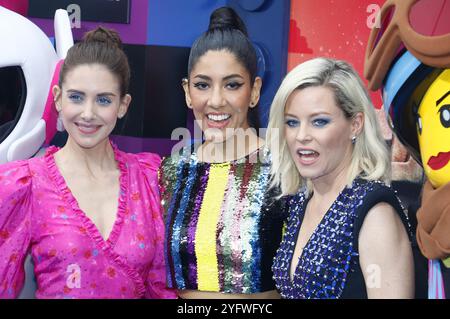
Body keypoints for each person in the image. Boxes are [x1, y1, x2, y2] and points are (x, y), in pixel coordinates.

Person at [0, 27, 176, 299]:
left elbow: (162, 287)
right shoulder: (26, 183)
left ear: (123, 105)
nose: (88, 113)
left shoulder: (149, 179)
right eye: (76, 97)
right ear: (58, 98)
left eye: (103, 100)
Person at [159, 7, 286, 299]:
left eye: (232, 85)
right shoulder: (171, 170)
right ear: (187, 92)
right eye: (202, 85)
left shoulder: (284, 168)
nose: (216, 101)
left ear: (254, 91)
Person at [268, 57, 414, 298]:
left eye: (319, 121)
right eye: (292, 122)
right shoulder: (300, 202)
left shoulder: (375, 213)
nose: (301, 135)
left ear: (355, 125)